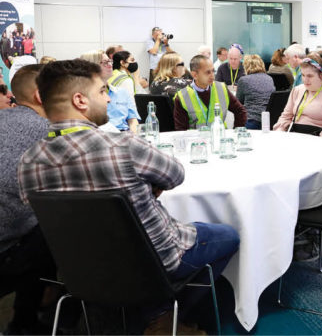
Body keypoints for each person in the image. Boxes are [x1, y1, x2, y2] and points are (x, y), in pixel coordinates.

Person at [18, 59, 239, 334]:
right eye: (102, 91)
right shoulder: (122, 146)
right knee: (228, 236)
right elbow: (175, 175)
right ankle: (162, 315)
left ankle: (141, 314)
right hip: (156, 259)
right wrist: (147, 186)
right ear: (80, 100)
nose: (109, 99)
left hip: (81, 269)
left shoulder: (28, 162)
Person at [0, 65, 54, 335]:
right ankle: (30, 320)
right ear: (41, 96)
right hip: (7, 252)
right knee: (60, 223)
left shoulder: (4, 119)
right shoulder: (48, 131)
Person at [273, 55, 322, 142]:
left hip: (318, 140)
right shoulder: (298, 90)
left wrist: (320, 141)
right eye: (303, 75)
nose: (305, 80)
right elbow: (286, 116)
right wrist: (279, 132)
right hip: (294, 137)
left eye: (310, 76)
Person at [173, 54, 247, 131]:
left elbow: (240, 111)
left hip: (219, 138)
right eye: (207, 72)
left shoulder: (221, 88)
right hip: (197, 141)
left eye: (213, 71)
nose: (212, 76)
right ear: (194, 75)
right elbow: (181, 130)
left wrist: (236, 132)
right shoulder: (183, 97)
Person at [82, 50, 139, 133]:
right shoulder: (84, 96)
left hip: (125, 135)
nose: (110, 65)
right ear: (91, 66)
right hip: (101, 136)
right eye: (105, 62)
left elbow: (133, 121)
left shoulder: (122, 92)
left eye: (110, 61)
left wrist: (134, 137)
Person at [236, 55, 275, 130]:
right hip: (268, 121)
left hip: (251, 121)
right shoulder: (269, 78)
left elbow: (238, 102)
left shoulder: (244, 80)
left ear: (246, 67)